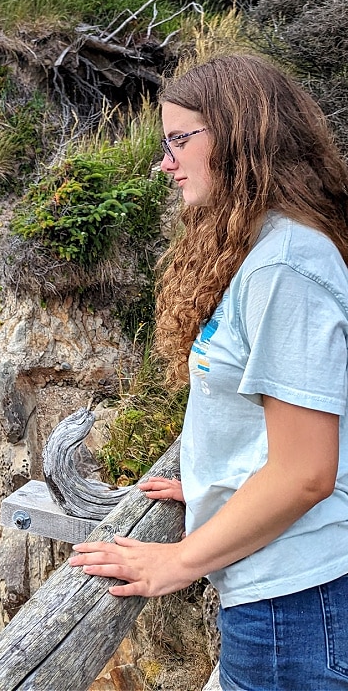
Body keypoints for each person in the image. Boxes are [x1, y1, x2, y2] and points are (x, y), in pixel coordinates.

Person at [69, 53, 348, 691]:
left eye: (177, 141)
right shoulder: (275, 249)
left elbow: (306, 471)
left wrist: (178, 563)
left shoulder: (286, 267)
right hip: (290, 599)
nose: (164, 163)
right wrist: (214, 480)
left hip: (293, 605)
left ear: (238, 134)